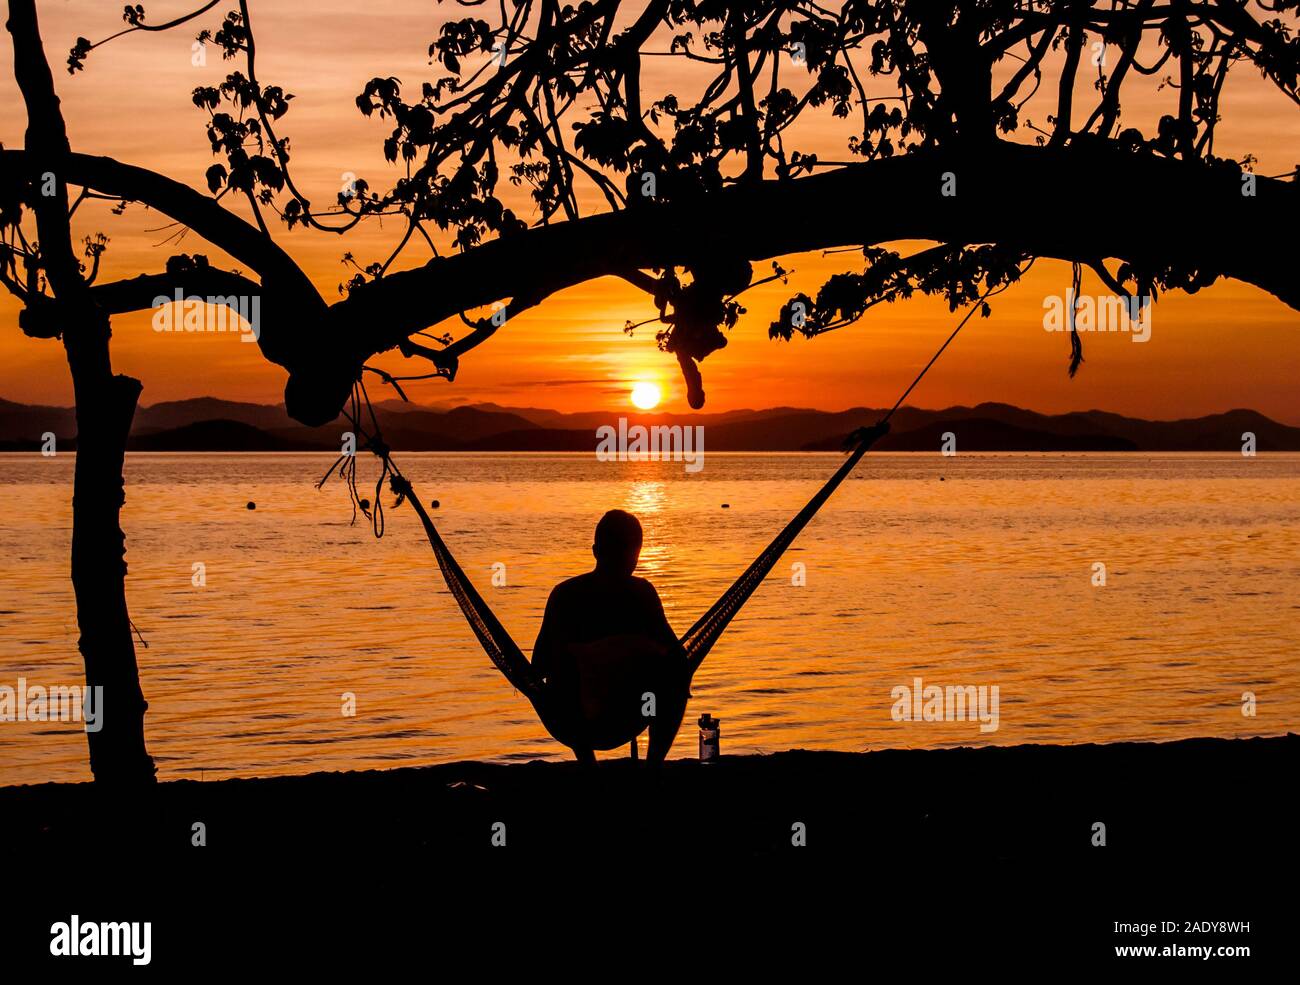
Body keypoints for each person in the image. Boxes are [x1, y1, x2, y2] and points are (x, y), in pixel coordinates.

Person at [531, 509, 688, 765]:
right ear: (635, 556)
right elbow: (677, 659)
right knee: (673, 676)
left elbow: (538, 668)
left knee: (563, 674)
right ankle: (654, 764)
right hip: (631, 711)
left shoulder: (564, 595)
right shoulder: (642, 594)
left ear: (595, 551)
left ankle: (587, 763)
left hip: (575, 721)